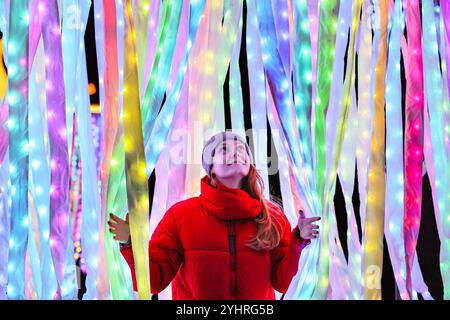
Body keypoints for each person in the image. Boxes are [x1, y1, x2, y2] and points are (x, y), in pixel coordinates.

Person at [108, 131, 320, 300]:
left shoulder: (272, 216)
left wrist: (297, 241)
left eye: (241, 149)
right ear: (211, 168)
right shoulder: (180, 216)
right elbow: (154, 281)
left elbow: (281, 283)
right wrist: (129, 242)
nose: (235, 153)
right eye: (224, 149)